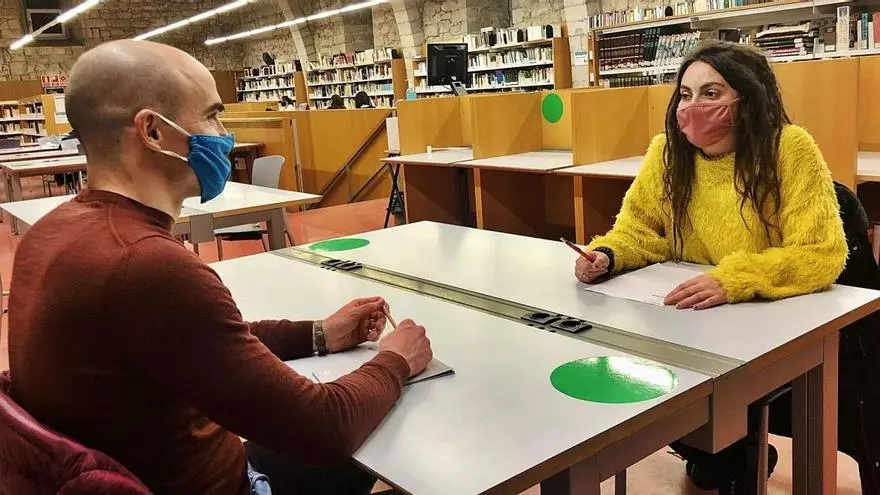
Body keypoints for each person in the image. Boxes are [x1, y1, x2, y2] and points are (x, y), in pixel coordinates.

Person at [8, 39, 433, 495]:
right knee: (389, 436)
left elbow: (202, 341)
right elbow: (324, 429)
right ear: (153, 132)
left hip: (157, 469)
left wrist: (319, 334)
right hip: (226, 485)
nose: (224, 134)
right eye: (212, 116)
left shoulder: (50, 232)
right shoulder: (148, 266)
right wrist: (396, 360)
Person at [574, 41, 848, 493]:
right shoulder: (667, 152)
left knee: (713, 423)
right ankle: (718, 451)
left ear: (748, 98)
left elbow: (821, 252)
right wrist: (608, 255)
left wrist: (733, 279)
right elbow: (638, 229)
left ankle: (734, 450)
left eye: (711, 93)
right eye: (685, 94)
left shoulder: (788, 147)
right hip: (687, 317)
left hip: (764, 319)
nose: (693, 107)